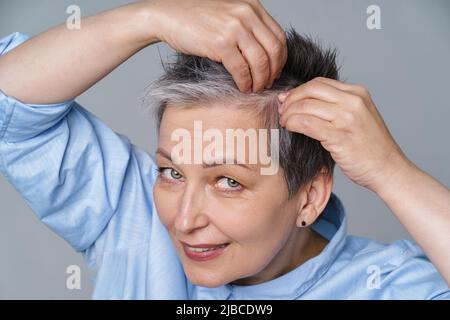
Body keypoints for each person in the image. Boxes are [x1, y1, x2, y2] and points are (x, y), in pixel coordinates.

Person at [0, 0, 449, 299]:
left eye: (228, 181)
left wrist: (392, 173)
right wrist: (149, 18)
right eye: (171, 173)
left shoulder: (385, 287)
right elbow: (9, 106)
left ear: (310, 197)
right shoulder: (132, 216)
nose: (183, 219)